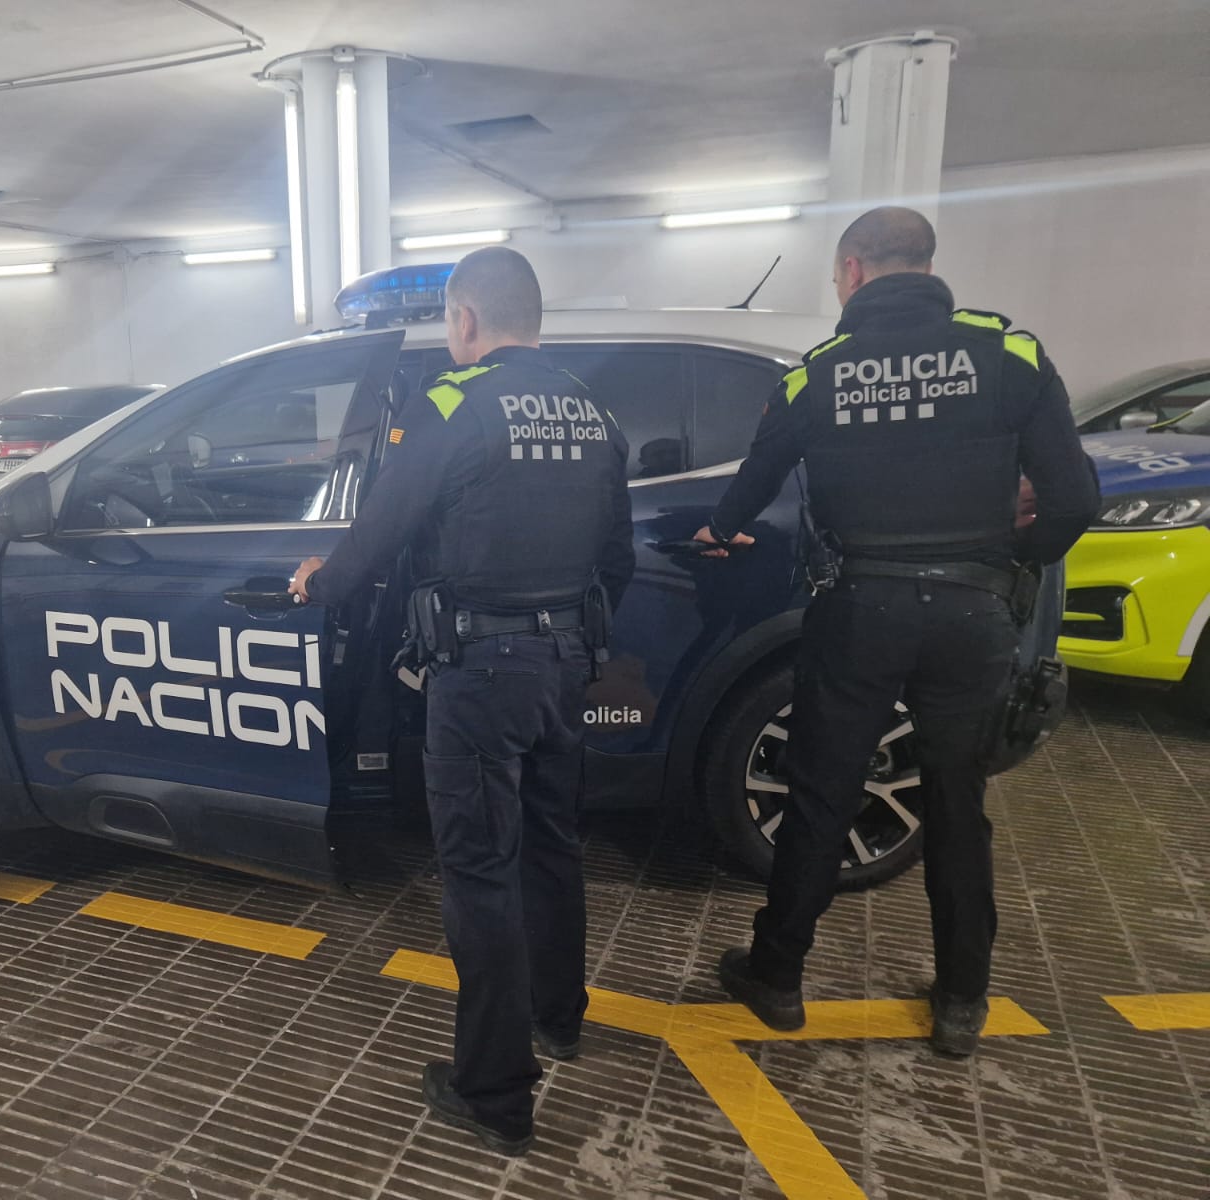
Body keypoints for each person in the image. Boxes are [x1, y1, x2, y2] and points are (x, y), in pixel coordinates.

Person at [695, 206, 1099, 1057]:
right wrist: (1006, 561)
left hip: (859, 611)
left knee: (820, 797)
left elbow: (744, 495)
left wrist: (719, 530)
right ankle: (961, 1001)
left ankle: (778, 977)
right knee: (958, 806)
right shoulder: (1011, 356)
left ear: (850, 271)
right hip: (971, 613)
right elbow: (1074, 502)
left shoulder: (820, 376)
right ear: (926, 264)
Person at [290, 246, 634, 1153]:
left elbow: (379, 533)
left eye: (449, 324)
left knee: (480, 870)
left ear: (466, 321)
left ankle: (495, 1090)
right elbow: (620, 562)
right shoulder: (593, 411)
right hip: (566, 661)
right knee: (553, 847)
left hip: (480, 672)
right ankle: (560, 1019)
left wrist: (320, 583)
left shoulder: (451, 403)